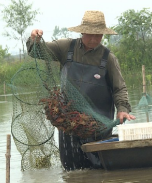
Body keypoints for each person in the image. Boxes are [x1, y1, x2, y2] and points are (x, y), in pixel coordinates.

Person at [26, 10, 135, 171]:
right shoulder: (65, 48)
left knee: (99, 171)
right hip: (70, 124)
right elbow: (37, 51)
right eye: (90, 34)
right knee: (72, 171)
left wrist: (122, 109)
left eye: (98, 35)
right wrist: (34, 40)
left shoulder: (108, 58)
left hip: (98, 127)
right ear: (82, 31)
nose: (93, 39)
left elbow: (119, 88)